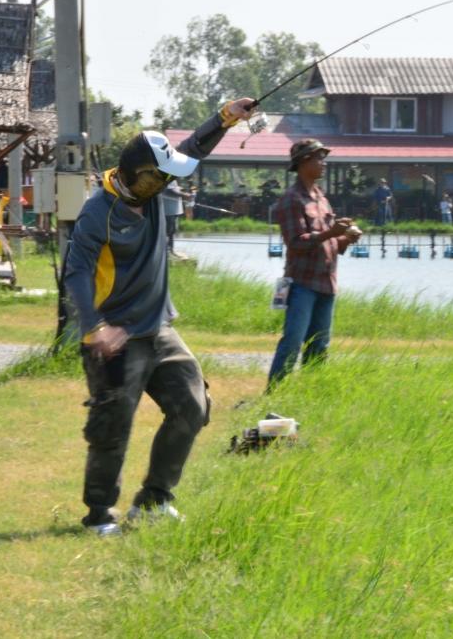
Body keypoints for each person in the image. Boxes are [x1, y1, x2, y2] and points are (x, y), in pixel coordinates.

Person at [63, 97, 255, 536]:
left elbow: (192, 149)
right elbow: (75, 275)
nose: (169, 181)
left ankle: (153, 501)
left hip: (158, 329)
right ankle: (98, 516)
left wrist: (226, 118)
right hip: (113, 339)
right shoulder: (98, 214)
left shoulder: (154, 188)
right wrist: (94, 327)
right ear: (139, 176)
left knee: (193, 407)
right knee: (112, 428)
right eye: (160, 176)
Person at [267, 139, 361, 390]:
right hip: (301, 284)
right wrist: (331, 232)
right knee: (293, 341)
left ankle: (311, 392)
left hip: (327, 283)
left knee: (320, 344)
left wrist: (346, 238)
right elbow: (296, 242)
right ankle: (274, 393)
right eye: (319, 158)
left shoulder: (322, 199)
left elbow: (334, 246)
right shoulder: (291, 200)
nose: (324, 164)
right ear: (303, 163)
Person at [160, 180, 189, 258]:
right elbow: (172, 191)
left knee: (171, 231)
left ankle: (170, 250)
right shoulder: (170, 175)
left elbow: (173, 188)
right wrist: (185, 195)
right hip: (169, 210)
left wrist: (179, 189)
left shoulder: (173, 176)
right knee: (169, 231)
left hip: (172, 210)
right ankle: (168, 251)